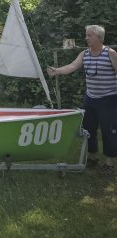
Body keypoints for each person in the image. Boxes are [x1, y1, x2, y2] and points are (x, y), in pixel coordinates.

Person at [47, 25, 117, 175]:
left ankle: (110, 164)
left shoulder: (110, 53)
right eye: (86, 35)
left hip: (109, 99)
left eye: (89, 35)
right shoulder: (84, 54)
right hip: (90, 98)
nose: (86, 38)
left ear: (99, 37)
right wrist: (57, 71)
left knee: (108, 130)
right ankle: (92, 158)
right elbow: (72, 66)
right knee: (88, 129)